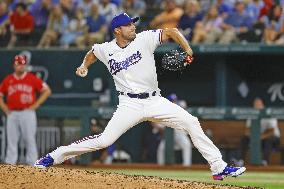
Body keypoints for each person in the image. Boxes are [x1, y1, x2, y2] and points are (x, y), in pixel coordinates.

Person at [34, 12, 246, 181]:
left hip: (154, 101)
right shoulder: (105, 49)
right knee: (104, 140)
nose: (133, 26)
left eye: (133, 23)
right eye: (128, 25)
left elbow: (171, 31)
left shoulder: (144, 38)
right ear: (117, 30)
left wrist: (188, 50)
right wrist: (83, 66)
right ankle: (53, 157)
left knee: (191, 122)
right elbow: (92, 53)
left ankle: (218, 167)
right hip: (129, 104)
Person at [0, 55, 51, 166]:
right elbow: (0, 95)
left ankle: (33, 164)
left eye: (23, 64)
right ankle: (10, 164)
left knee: (29, 139)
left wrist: (36, 104)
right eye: (19, 64)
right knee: (12, 140)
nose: (21, 66)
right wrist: (4, 107)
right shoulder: (8, 80)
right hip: (12, 113)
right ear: (14, 65)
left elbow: (47, 91)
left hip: (27, 112)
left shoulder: (31, 78)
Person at [237, 97, 281, 166]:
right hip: (257, 138)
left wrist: (260, 137)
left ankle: (264, 161)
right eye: (255, 104)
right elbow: (247, 130)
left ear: (262, 105)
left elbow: (272, 131)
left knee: (268, 140)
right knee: (244, 139)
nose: (257, 106)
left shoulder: (269, 113)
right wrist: (253, 137)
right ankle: (240, 160)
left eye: (258, 104)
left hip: (273, 139)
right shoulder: (252, 114)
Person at [156, 93, 192, 166]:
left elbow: (183, 105)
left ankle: (187, 166)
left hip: (179, 133)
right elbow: (159, 125)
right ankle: (160, 167)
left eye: (175, 100)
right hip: (168, 135)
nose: (174, 102)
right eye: (172, 101)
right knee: (161, 149)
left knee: (187, 145)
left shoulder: (180, 106)